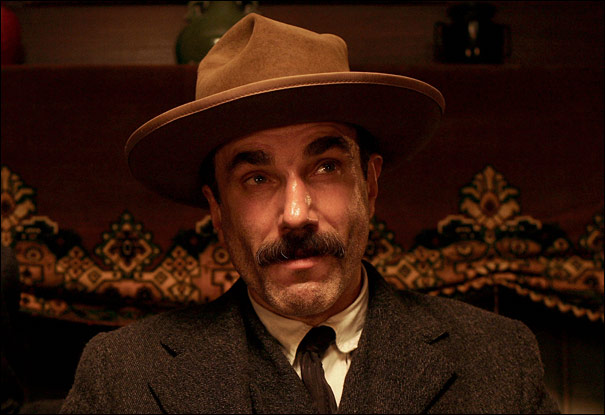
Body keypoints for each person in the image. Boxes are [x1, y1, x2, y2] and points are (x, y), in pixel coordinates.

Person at [61, 13, 559, 414]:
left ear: (370, 183)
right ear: (217, 210)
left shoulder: (498, 359)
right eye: (257, 178)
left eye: (325, 167)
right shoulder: (121, 377)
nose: (297, 214)